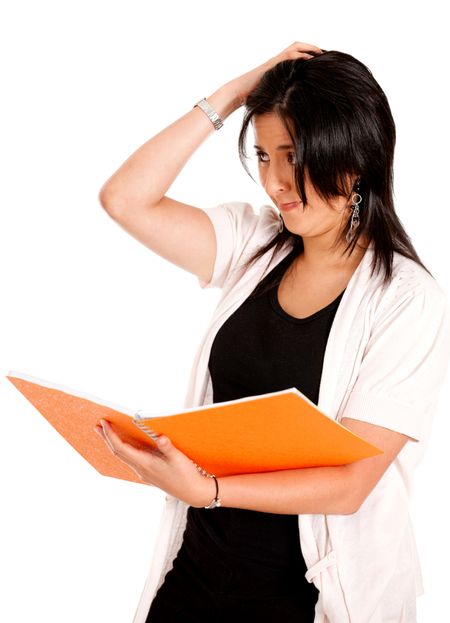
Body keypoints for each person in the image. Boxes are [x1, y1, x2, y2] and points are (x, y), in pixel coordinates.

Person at [95, 42, 450, 622]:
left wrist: (208, 491)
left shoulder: (408, 302)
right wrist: (239, 91)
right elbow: (125, 198)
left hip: (307, 597)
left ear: (354, 155)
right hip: (196, 577)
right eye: (262, 155)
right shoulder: (252, 245)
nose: (276, 181)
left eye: (294, 154)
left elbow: (350, 483)